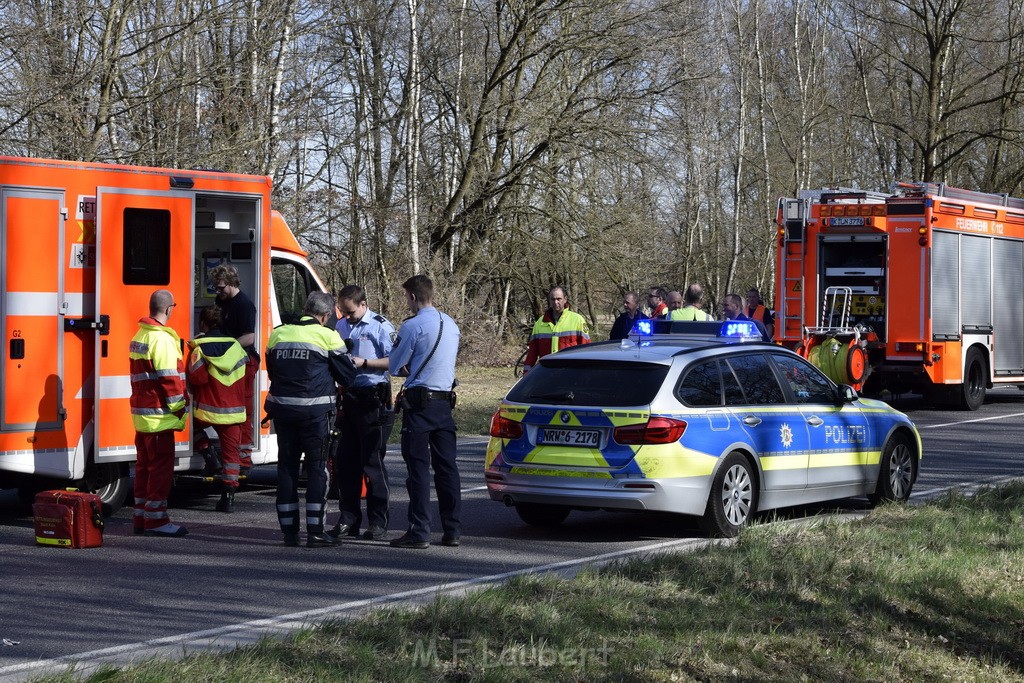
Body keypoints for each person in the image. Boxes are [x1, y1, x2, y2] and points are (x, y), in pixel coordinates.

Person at [265, 291, 356, 547]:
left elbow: (272, 370)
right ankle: (315, 531)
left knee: (286, 468)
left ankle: (289, 532)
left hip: (283, 411)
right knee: (317, 469)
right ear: (326, 316)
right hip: (315, 415)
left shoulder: (278, 333)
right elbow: (348, 377)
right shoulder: (328, 336)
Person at [388, 275, 461, 549]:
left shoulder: (412, 326)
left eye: (406, 297)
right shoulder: (451, 324)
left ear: (414, 297)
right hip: (444, 403)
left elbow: (395, 366)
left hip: (419, 405)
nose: (406, 303)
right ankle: (452, 530)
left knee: (418, 469)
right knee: (447, 468)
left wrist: (409, 367)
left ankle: (419, 531)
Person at [328, 284, 395, 541]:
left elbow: (395, 361)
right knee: (346, 462)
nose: (347, 316)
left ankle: (378, 521)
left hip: (373, 399)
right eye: (343, 311)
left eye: (351, 312)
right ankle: (348, 518)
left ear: (363, 304)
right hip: (349, 398)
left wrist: (364, 362)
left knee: (372, 462)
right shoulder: (341, 326)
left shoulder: (380, 326)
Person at [129, 290, 189, 537]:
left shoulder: (140, 334)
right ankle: (156, 521)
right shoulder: (161, 339)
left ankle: (141, 517)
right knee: (160, 470)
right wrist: (180, 409)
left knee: (144, 468)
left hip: (142, 417)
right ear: (168, 309)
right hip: (159, 417)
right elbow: (169, 379)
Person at [187, 306, 248, 513]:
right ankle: (228, 498)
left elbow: (198, 379)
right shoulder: (237, 348)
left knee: (188, 427)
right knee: (232, 456)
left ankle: (209, 455)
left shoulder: (198, 349)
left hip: (207, 410)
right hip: (234, 412)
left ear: (203, 324)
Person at [209, 264, 259, 475]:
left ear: (231, 283)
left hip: (243, 361)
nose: (218, 292)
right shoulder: (222, 301)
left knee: (243, 412)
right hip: (227, 360)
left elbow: (249, 337)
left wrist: (226, 349)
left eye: (221, 288)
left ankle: (244, 461)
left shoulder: (244, 305)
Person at [522, 286, 590, 374]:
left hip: (571, 374)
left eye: (559, 299)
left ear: (565, 299)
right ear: (549, 300)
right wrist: (526, 374)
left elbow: (586, 350)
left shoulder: (577, 320)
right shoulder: (540, 323)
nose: (556, 302)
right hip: (546, 374)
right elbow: (532, 353)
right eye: (553, 299)